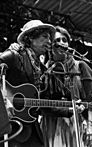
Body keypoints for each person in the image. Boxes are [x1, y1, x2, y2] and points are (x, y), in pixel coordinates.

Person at [40, 26, 92, 147]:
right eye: (57, 41)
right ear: (50, 46)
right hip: (50, 124)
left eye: (64, 40)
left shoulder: (80, 66)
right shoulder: (44, 70)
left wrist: (91, 126)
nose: (61, 43)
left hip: (75, 122)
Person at [0, 19, 55, 147]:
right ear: (31, 38)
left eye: (50, 38)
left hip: (31, 128)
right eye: (44, 37)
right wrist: (5, 101)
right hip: (11, 128)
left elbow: (44, 104)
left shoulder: (41, 69)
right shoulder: (13, 56)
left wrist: (71, 109)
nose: (50, 42)